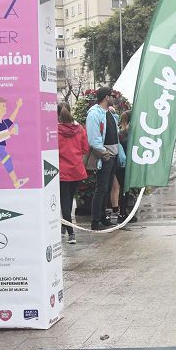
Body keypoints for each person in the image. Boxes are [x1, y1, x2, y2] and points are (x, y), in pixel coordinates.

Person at [83, 87, 119, 231]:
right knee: (101, 189)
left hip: (113, 156)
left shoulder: (109, 112)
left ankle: (103, 217)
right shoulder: (94, 114)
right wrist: (105, 155)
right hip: (105, 156)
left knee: (108, 188)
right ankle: (95, 220)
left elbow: (113, 132)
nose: (113, 97)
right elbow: (93, 138)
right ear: (105, 97)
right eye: (111, 95)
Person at [57, 102, 88, 244]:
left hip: (62, 170)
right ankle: (65, 226)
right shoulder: (80, 128)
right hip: (76, 169)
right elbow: (85, 149)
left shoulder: (54, 130)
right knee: (69, 199)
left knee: (65, 201)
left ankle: (71, 233)